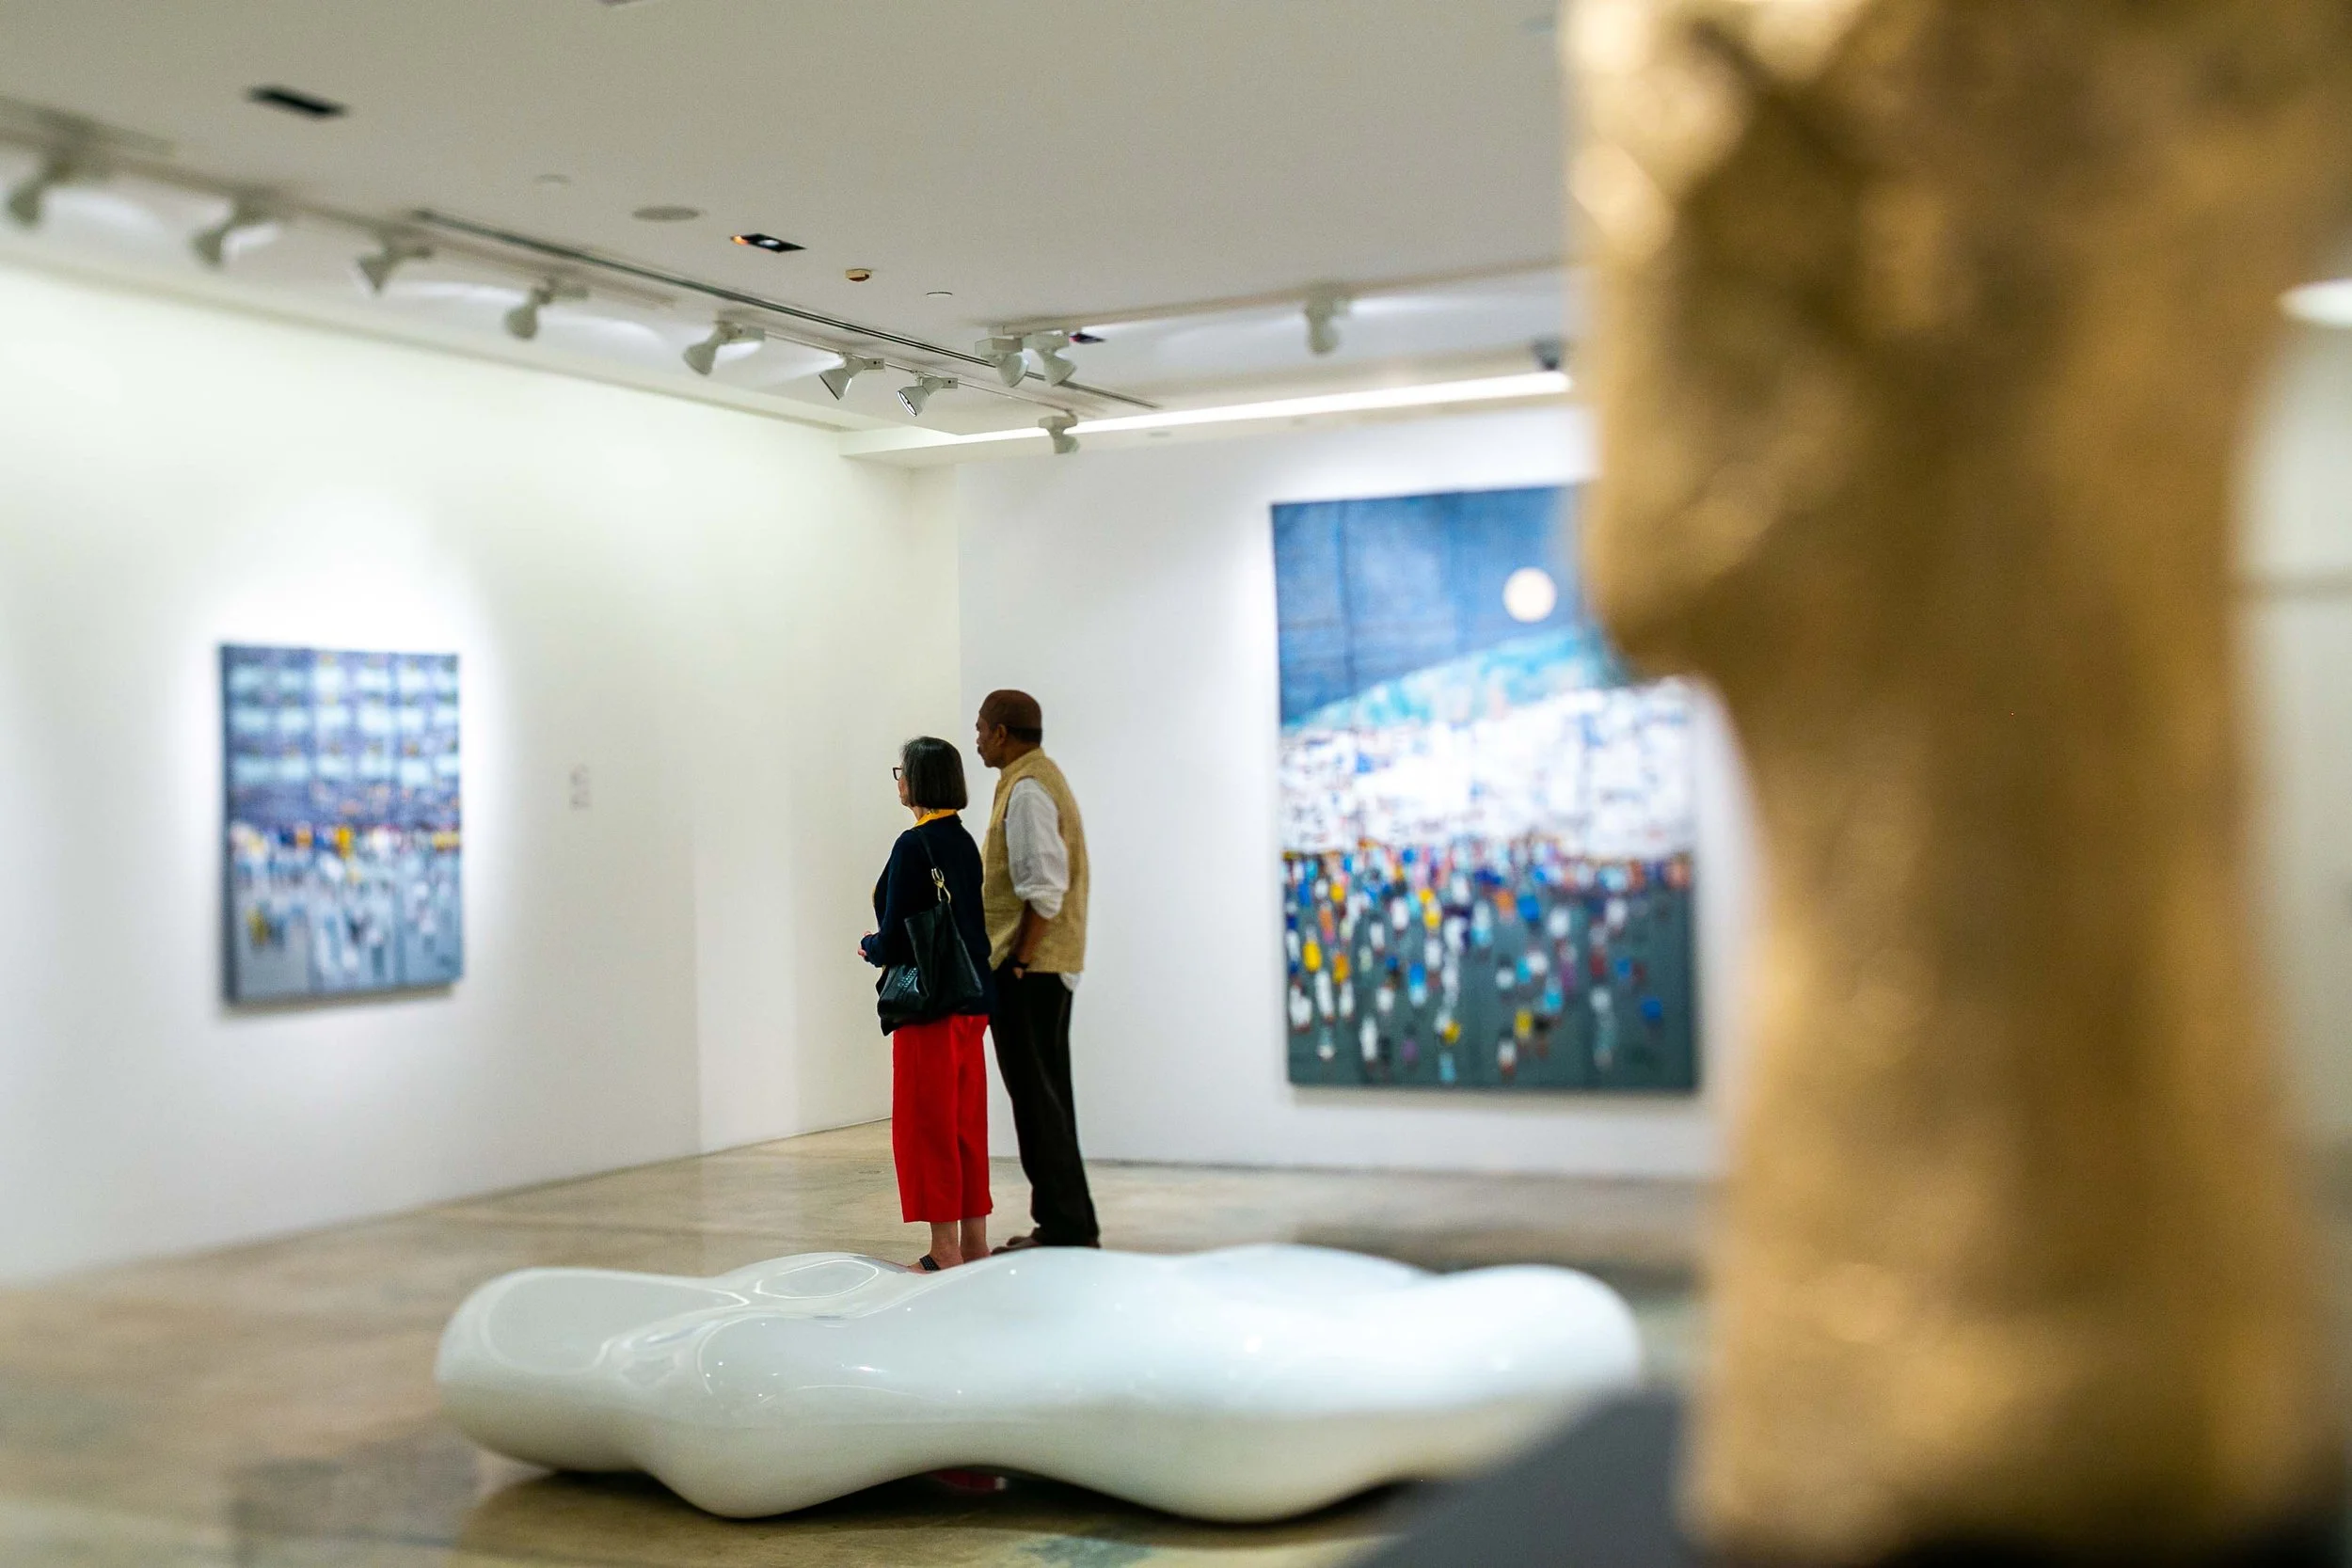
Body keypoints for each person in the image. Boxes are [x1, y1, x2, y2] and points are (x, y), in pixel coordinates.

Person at [860, 736, 994, 1271]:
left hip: (928, 1007)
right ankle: (975, 1242)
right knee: (965, 1124)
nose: (898, 780)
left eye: (901, 771)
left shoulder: (912, 846)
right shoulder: (962, 841)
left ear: (916, 780)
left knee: (926, 1125)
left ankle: (943, 1251)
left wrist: (868, 946)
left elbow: (894, 940)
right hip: (970, 1000)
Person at [973, 689, 1101, 1252]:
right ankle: (1066, 1223)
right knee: (1047, 1102)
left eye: (981, 728)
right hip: (1044, 970)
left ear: (1003, 732)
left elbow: (1044, 890)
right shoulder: (1038, 777)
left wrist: (1019, 964)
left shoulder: (1026, 789)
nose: (976, 738)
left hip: (1031, 973)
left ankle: (1066, 1229)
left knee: (1038, 1106)